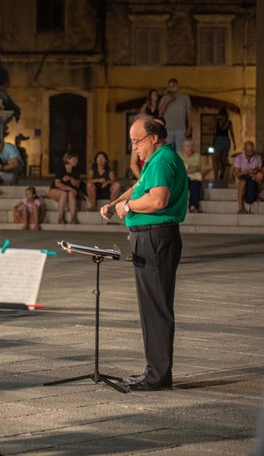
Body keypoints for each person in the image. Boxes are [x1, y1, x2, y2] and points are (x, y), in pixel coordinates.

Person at [100, 115, 187, 391]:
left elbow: (158, 199)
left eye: (137, 141)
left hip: (155, 238)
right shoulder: (155, 160)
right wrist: (116, 203)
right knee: (150, 307)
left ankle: (158, 376)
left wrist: (129, 208)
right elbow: (138, 188)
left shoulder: (162, 160)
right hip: (149, 237)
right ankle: (154, 370)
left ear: (153, 138)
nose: (134, 147)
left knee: (156, 307)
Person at [159, 78, 193, 151]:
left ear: (177, 86)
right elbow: (160, 113)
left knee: (181, 151)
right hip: (167, 128)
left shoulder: (185, 98)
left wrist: (189, 127)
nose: (171, 88)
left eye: (173, 86)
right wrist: (167, 100)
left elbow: (189, 113)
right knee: (167, 150)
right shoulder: (164, 98)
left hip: (180, 128)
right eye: (170, 87)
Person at [48, 152, 82, 224]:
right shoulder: (61, 168)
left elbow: (77, 185)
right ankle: (60, 217)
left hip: (69, 192)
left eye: (77, 159)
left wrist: (70, 178)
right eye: (74, 159)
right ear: (68, 160)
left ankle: (73, 218)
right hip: (56, 190)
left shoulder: (76, 170)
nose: (76, 161)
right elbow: (57, 184)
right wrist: (70, 189)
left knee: (71, 194)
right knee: (64, 194)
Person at [233, 141, 263, 214]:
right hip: (242, 176)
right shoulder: (239, 158)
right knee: (243, 182)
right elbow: (236, 173)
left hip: (253, 176)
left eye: (252, 151)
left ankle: (256, 195)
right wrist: (246, 172)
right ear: (244, 149)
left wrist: (256, 170)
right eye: (248, 151)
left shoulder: (258, 157)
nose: (250, 153)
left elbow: (261, 169)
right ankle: (240, 207)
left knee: (260, 176)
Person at [178, 139, 203, 213]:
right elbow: (177, 168)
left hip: (194, 178)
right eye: (187, 146)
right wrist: (189, 168)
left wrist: (185, 169)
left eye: (191, 146)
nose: (190, 148)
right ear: (183, 147)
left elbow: (197, 168)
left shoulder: (197, 155)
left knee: (195, 186)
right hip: (182, 178)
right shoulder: (178, 155)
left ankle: (193, 206)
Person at [211, 107, 236, 180]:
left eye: (224, 115)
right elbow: (211, 128)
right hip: (219, 140)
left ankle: (223, 172)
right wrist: (216, 120)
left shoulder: (229, 122)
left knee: (224, 158)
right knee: (218, 157)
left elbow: (231, 133)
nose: (223, 117)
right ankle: (222, 169)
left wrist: (234, 143)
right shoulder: (218, 121)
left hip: (225, 140)